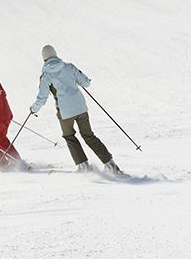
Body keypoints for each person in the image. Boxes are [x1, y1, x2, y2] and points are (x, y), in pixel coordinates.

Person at [30, 45, 123, 175]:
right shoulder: (69, 67)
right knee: (88, 135)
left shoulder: (45, 76)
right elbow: (86, 83)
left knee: (69, 136)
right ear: (55, 54)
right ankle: (110, 165)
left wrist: (33, 109)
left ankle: (83, 166)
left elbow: (42, 98)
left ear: (44, 59)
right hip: (81, 108)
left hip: (65, 113)